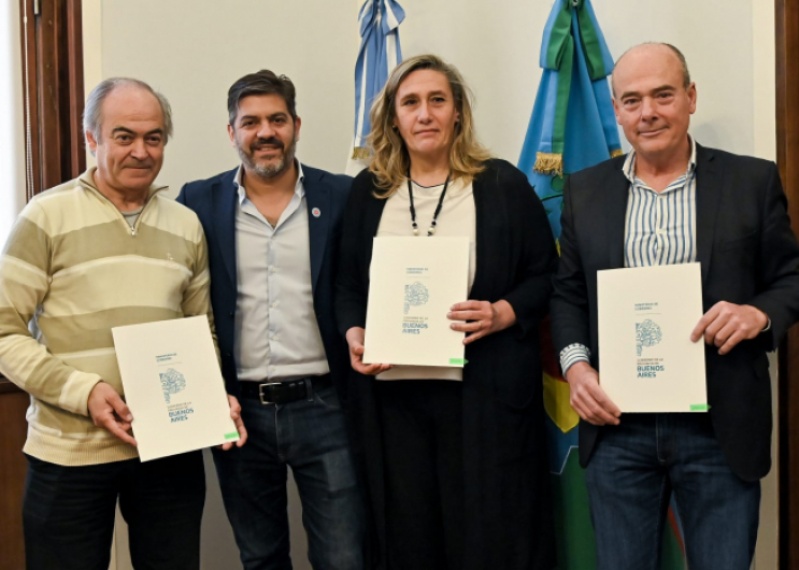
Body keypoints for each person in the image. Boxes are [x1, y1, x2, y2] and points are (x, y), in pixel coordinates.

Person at [551, 42, 799, 570]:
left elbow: (789, 278)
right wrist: (575, 366)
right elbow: (568, 292)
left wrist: (758, 314)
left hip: (719, 425)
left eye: (663, 95)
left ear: (691, 97)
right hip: (617, 426)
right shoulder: (585, 192)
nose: (648, 112)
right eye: (632, 100)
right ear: (616, 111)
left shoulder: (751, 182)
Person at [0, 77, 246, 570]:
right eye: (124, 136)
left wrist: (212, 397)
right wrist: (83, 391)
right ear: (91, 138)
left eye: (153, 138)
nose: (141, 151)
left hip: (170, 450)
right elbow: (4, 331)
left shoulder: (185, 225)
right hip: (69, 453)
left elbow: (201, 332)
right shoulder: (45, 217)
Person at [335, 54, 557, 570]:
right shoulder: (368, 192)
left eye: (438, 100)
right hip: (394, 404)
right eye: (410, 102)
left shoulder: (501, 185)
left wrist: (503, 312)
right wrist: (353, 332)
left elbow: (548, 276)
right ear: (394, 118)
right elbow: (345, 285)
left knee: (485, 539)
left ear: (457, 111)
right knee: (409, 540)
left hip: (483, 403)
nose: (425, 114)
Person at [177, 70, 364, 570]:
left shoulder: (343, 195)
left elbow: (364, 285)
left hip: (327, 407)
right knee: (260, 557)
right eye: (251, 122)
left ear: (296, 125)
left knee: (344, 557)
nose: (265, 132)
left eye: (277, 119)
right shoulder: (197, 202)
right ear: (231, 131)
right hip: (241, 412)